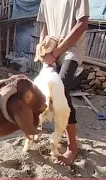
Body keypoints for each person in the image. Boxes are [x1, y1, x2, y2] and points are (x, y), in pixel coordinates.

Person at [36, 0, 90, 166]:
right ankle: (46, 125)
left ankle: (72, 147)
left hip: (71, 50)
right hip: (51, 51)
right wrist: (43, 52)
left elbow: (82, 24)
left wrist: (57, 51)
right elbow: (44, 28)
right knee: (42, 89)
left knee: (61, 88)